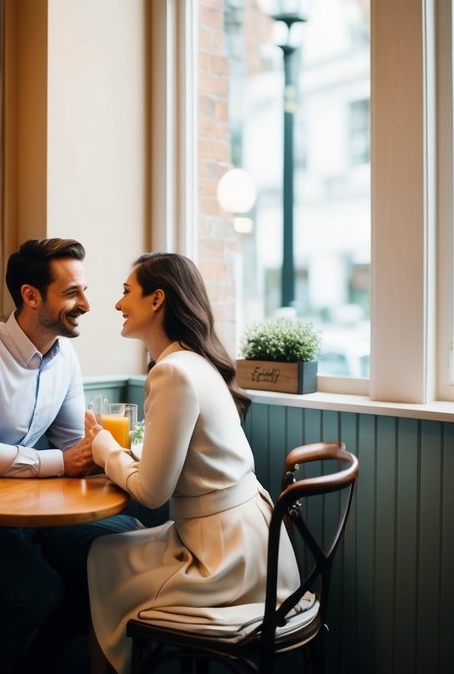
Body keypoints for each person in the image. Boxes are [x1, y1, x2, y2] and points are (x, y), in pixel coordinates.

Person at [0, 237, 142, 670]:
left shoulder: (65, 357)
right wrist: (62, 462)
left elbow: (78, 446)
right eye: (72, 292)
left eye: (84, 290)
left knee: (118, 545)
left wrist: (108, 455)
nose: (87, 304)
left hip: (23, 517)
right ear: (31, 296)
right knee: (38, 590)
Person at [85, 252, 301, 674]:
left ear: (156, 300)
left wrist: (105, 448)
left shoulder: (173, 373)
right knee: (108, 549)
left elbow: (151, 493)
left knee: (102, 554)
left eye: (126, 292)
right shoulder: (194, 362)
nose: (117, 304)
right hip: (256, 545)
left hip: (222, 561)